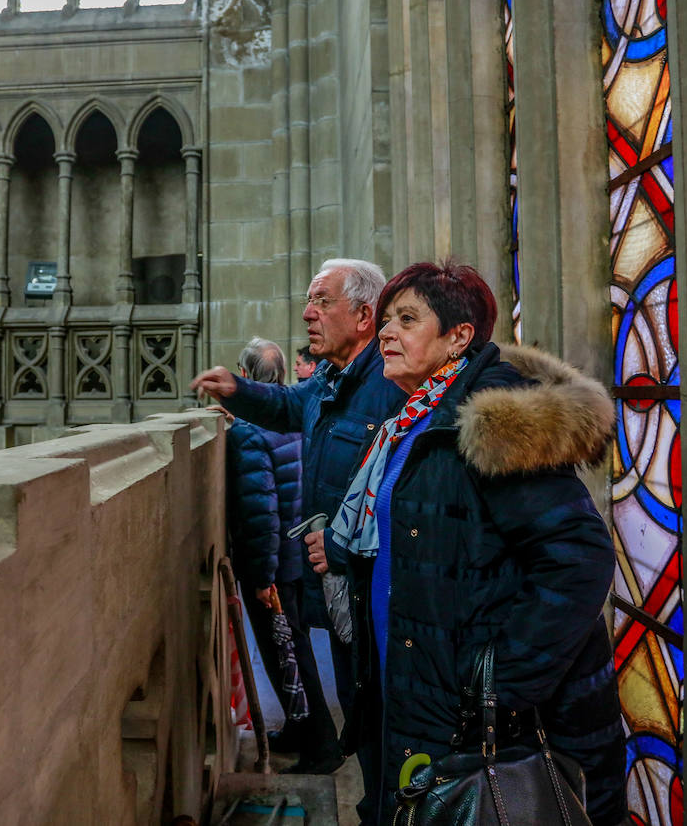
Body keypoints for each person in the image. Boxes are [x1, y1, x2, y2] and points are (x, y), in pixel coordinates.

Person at [305, 261, 626, 825]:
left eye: (407, 319)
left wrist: (498, 687)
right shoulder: (412, 419)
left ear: (459, 337)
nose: (386, 332)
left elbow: (579, 561)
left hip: (467, 709)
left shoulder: (492, 422)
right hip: (409, 684)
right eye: (384, 319)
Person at [192, 258, 406, 779]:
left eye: (322, 301)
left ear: (363, 316)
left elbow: (396, 498)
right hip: (334, 582)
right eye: (310, 301)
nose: (308, 313)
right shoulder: (333, 378)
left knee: (384, 716)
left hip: (373, 586)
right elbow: (289, 405)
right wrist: (238, 392)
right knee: (359, 710)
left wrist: (338, 544)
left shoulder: (391, 385)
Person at [222, 337, 342, 773]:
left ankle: (321, 748)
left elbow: (261, 514)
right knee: (295, 650)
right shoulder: (294, 421)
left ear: (249, 377)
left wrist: (261, 577)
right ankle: (298, 729)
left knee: (287, 655)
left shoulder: (248, 434)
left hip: (275, 564)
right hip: (298, 557)